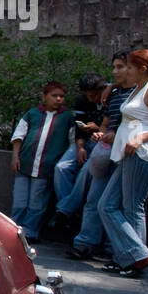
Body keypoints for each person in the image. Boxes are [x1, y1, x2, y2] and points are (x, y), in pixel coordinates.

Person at [98, 49, 148, 277]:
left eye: (129, 67)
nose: (127, 71)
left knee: (132, 208)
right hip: (129, 153)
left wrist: (141, 137)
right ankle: (129, 256)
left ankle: (135, 258)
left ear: (142, 69)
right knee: (107, 205)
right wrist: (110, 86)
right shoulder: (138, 89)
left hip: (142, 154)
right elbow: (121, 87)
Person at [68, 53, 135, 260]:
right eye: (114, 66)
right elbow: (107, 122)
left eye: (120, 67)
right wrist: (102, 132)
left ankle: (116, 247)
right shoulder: (114, 93)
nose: (114, 71)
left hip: (127, 153)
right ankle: (85, 242)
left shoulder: (141, 93)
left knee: (118, 205)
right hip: (107, 150)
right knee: (94, 200)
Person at [10, 82, 77, 241]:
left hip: (45, 168)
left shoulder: (67, 118)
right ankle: (13, 229)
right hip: (25, 164)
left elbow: (73, 141)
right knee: (20, 200)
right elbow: (18, 136)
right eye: (54, 96)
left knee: (37, 202)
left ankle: (30, 232)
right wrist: (15, 157)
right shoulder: (32, 114)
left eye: (61, 96)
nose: (58, 99)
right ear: (44, 96)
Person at [50, 72, 106, 232]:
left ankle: (64, 211)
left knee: (86, 171)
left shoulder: (110, 98)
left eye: (93, 96)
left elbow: (110, 126)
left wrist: (97, 128)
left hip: (101, 142)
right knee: (62, 168)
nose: (91, 99)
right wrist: (80, 147)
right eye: (87, 96)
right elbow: (79, 130)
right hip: (84, 140)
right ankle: (70, 210)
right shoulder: (82, 101)